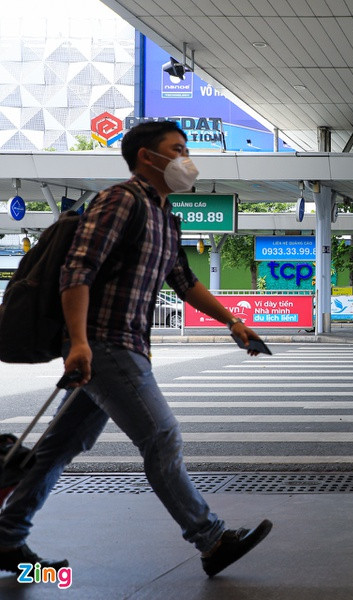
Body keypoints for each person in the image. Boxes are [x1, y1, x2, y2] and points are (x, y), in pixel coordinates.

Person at [0, 121, 272, 578]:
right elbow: (78, 270)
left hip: (123, 344)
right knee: (161, 436)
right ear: (147, 156)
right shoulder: (120, 200)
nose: (186, 159)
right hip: (105, 343)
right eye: (177, 149)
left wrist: (233, 322)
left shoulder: (165, 215)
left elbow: (184, 281)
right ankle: (211, 539)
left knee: (59, 445)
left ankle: (6, 536)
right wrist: (79, 341)